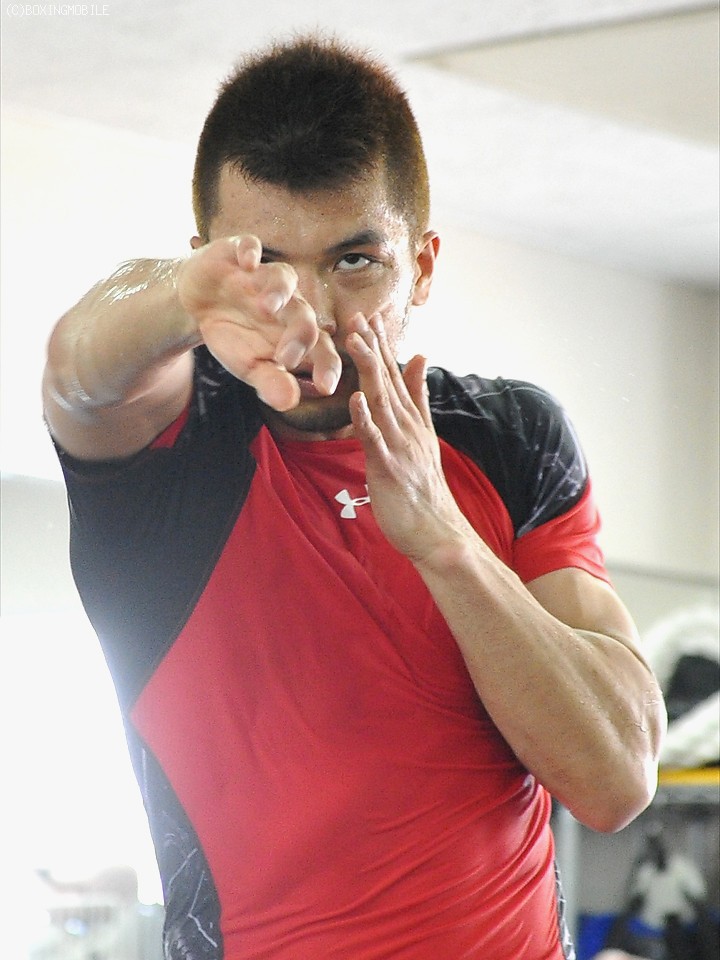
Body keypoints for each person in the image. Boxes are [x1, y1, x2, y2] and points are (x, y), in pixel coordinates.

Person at [42, 35, 666, 960]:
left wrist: (445, 542)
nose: (312, 316)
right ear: (208, 265)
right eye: (265, 266)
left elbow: (616, 778)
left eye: (355, 262)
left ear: (423, 265)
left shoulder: (506, 436)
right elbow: (76, 372)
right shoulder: (171, 438)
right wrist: (179, 299)